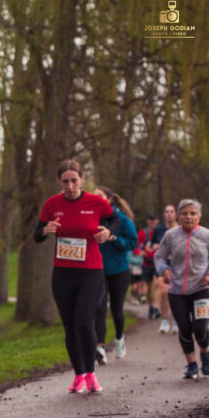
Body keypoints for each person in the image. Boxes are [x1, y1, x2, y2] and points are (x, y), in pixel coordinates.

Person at [34, 160, 118, 394]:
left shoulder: (96, 202)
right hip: (63, 274)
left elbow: (115, 219)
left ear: (81, 179)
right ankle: (78, 375)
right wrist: (45, 230)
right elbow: (37, 235)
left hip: (91, 272)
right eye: (65, 181)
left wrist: (108, 231)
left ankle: (91, 374)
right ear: (59, 182)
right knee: (70, 327)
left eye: (74, 180)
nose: (70, 186)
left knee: (83, 322)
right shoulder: (52, 204)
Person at [154, 199, 209, 379]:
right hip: (176, 291)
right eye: (184, 213)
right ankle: (191, 364)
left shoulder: (206, 235)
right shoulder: (171, 235)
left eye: (193, 213)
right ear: (179, 216)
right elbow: (159, 257)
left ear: (199, 217)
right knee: (184, 328)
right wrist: (165, 270)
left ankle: (205, 354)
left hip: (201, 289)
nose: (188, 217)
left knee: (200, 329)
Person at [92, 186, 137, 362]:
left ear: (109, 199)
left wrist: (115, 239)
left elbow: (132, 243)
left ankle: (119, 339)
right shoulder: (92, 218)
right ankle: (100, 347)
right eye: (94, 197)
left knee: (117, 310)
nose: (96, 199)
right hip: (98, 270)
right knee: (99, 308)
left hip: (119, 270)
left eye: (100, 196)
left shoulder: (123, 220)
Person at [154, 204, 179, 334]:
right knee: (163, 291)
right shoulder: (159, 230)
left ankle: (175, 321)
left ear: (176, 214)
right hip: (163, 265)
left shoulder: (180, 230)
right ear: (164, 214)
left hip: (178, 266)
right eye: (167, 211)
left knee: (174, 294)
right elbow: (154, 246)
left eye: (172, 211)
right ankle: (164, 320)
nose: (169, 214)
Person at [138, 213, 160, 315]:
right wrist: (139, 252)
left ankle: (157, 306)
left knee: (158, 284)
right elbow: (136, 245)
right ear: (148, 221)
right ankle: (151, 306)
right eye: (150, 220)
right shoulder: (143, 233)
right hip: (146, 262)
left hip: (158, 262)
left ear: (157, 221)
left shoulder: (161, 232)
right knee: (149, 288)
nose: (152, 222)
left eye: (154, 220)